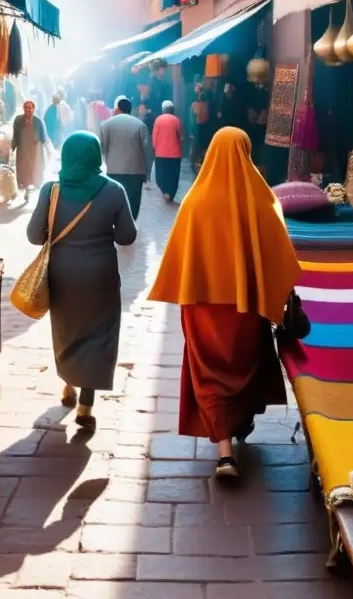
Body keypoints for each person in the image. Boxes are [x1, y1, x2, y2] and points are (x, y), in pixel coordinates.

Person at [148, 127, 301, 478]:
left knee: (209, 372)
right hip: (243, 309)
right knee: (242, 364)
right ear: (246, 153)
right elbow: (281, 257)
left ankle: (225, 452)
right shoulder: (261, 200)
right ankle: (239, 427)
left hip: (201, 307)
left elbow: (180, 259)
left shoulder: (195, 201)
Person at [27, 131, 137, 429]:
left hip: (62, 275)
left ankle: (68, 383)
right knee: (99, 332)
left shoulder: (52, 191)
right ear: (95, 155)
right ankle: (86, 403)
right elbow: (127, 237)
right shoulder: (114, 190)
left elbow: (34, 236)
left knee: (66, 330)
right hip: (100, 275)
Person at [100, 97, 149, 220]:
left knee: (115, 197)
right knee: (134, 199)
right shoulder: (140, 125)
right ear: (130, 109)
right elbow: (147, 150)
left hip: (114, 169)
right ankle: (131, 222)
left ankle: (118, 222)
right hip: (136, 170)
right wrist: (146, 171)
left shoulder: (106, 125)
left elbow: (102, 147)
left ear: (118, 109)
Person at [11, 100, 47, 202]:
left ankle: (33, 188)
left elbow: (43, 137)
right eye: (26, 107)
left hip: (35, 150)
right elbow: (15, 135)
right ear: (23, 108)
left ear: (33, 109)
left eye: (30, 108)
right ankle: (26, 189)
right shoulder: (18, 121)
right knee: (23, 169)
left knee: (34, 170)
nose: (28, 110)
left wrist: (44, 148)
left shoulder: (38, 121)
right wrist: (13, 146)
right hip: (23, 150)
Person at [152, 101, 184, 202]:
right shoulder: (177, 120)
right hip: (174, 154)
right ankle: (170, 193)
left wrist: (155, 148)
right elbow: (181, 137)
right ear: (173, 110)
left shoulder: (158, 120)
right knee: (173, 175)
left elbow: (154, 137)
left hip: (160, 153)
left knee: (161, 174)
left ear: (163, 110)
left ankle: (164, 191)